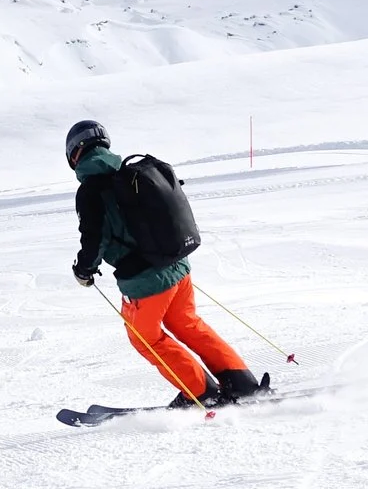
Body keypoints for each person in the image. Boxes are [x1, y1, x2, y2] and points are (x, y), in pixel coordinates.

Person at [66, 119, 266, 407]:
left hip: (145, 282)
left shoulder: (90, 191)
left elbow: (93, 238)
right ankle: (241, 381)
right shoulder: (130, 175)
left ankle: (202, 392)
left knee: (146, 339)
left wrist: (84, 268)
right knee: (187, 324)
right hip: (178, 267)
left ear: (74, 155)